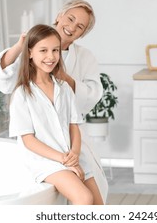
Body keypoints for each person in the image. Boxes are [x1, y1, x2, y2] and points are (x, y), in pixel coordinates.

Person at [0, 0, 108, 202]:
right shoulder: (25, 89)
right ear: (59, 15)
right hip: (45, 152)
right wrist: (21, 46)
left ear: (83, 33)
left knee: (95, 201)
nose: (72, 27)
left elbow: (88, 101)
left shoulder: (68, 82)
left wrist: (73, 154)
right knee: (83, 198)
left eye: (80, 27)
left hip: (70, 146)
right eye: (70, 18)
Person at [9, 24, 102, 205]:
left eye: (55, 50)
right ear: (29, 53)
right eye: (43, 50)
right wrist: (63, 159)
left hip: (70, 156)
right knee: (84, 198)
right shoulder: (22, 94)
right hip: (45, 162)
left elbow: (73, 125)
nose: (50, 57)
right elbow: (29, 140)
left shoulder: (64, 88)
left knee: (99, 207)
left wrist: (74, 154)